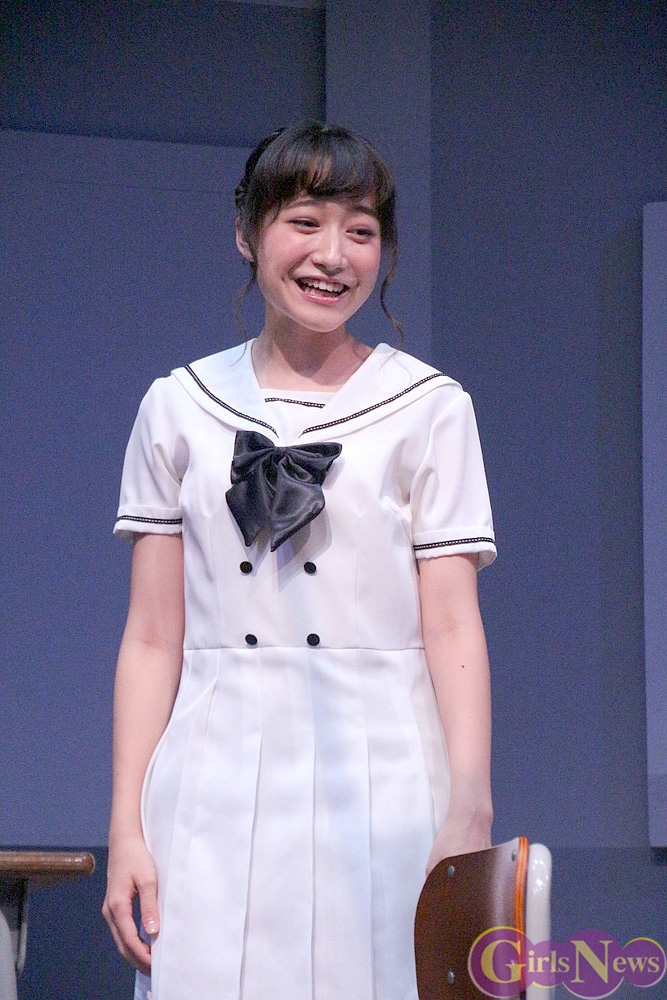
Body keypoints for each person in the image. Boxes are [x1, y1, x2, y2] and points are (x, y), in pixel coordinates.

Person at [103, 121, 496, 1000]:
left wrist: (468, 806)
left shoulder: (429, 408)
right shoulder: (179, 406)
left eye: (360, 230)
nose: (332, 255)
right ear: (249, 234)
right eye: (305, 222)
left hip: (385, 773)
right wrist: (126, 826)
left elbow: (451, 625)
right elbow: (153, 637)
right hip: (209, 774)